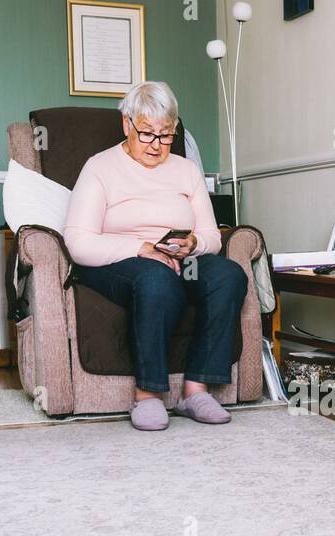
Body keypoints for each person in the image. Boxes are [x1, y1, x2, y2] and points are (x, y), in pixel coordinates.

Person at [63, 81, 247, 431]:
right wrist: (140, 248)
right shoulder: (100, 168)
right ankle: (147, 395)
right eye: (147, 134)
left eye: (165, 135)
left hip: (179, 261)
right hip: (119, 262)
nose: (156, 145)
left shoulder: (186, 171)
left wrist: (193, 244)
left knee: (227, 275)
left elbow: (212, 237)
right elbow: (78, 242)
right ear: (126, 125)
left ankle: (195, 390)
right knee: (156, 279)